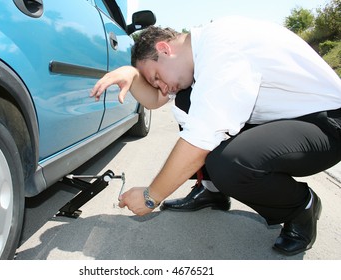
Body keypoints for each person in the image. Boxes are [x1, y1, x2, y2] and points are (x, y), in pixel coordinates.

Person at [91, 16, 341, 256]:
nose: (162, 88)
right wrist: (132, 75)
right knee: (187, 100)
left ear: (165, 49)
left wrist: (150, 196)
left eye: (156, 78)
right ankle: (213, 191)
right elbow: (156, 100)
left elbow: (200, 140)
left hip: (327, 124)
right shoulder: (197, 54)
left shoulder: (222, 48)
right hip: (291, 119)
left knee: (230, 162)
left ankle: (300, 206)